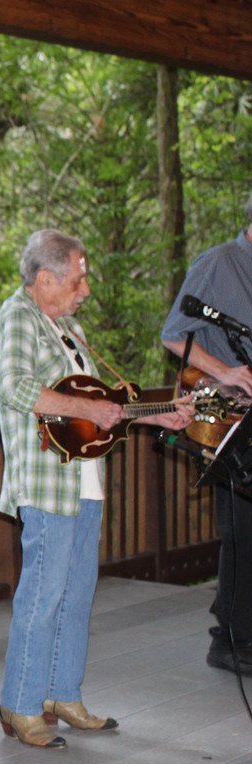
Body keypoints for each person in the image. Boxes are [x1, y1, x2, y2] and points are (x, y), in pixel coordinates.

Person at [0, 229, 192, 749]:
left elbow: (104, 413)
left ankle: (62, 693)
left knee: (76, 595)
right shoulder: (18, 316)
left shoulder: (70, 329)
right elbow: (15, 387)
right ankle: (21, 704)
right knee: (42, 594)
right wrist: (86, 409)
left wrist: (160, 416)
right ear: (45, 279)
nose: (85, 290)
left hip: (84, 482)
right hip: (45, 483)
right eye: (78, 279)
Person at [161, 192, 252, 675]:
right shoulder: (220, 264)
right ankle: (230, 640)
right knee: (240, 527)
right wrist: (228, 371)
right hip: (220, 411)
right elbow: (174, 334)